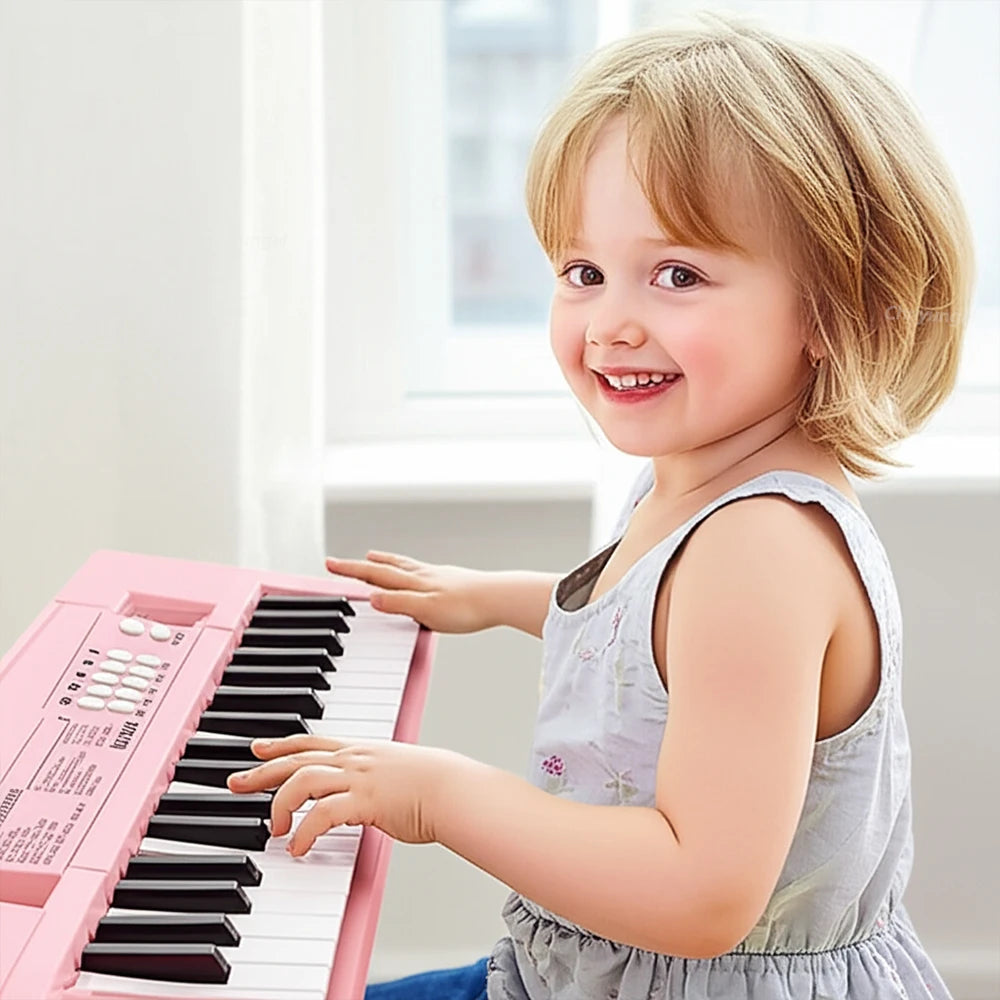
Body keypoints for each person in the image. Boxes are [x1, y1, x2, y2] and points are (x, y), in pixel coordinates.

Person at [227, 9, 973, 998]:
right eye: (583, 272)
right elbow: (658, 641)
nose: (611, 322)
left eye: (677, 274)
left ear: (837, 307)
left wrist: (440, 795)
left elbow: (702, 893)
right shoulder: (700, 480)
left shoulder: (761, 548)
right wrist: (502, 595)